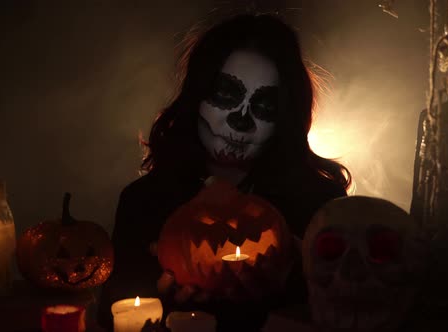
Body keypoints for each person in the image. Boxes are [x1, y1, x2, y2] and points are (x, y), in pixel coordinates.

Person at [97, 13, 351, 331]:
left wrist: (296, 283)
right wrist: (161, 306)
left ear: (284, 117)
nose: (240, 120)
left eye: (264, 106)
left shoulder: (321, 206)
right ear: (196, 96)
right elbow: (115, 313)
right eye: (226, 94)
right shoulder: (143, 201)